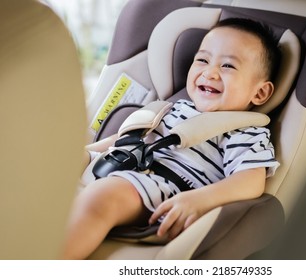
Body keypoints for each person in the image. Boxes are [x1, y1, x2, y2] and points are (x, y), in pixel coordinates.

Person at [62, 17, 281, 259]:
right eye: (202, 60)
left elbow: (250, 180)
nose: (210, 72)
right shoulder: (172, 108)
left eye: (228, 66)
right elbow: (124, 139)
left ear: (260, 92)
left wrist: (200, 200)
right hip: (121, 163)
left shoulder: (246, 132)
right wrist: (83, 152)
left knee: (102, 197)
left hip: (164, 189)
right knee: (55, 159)